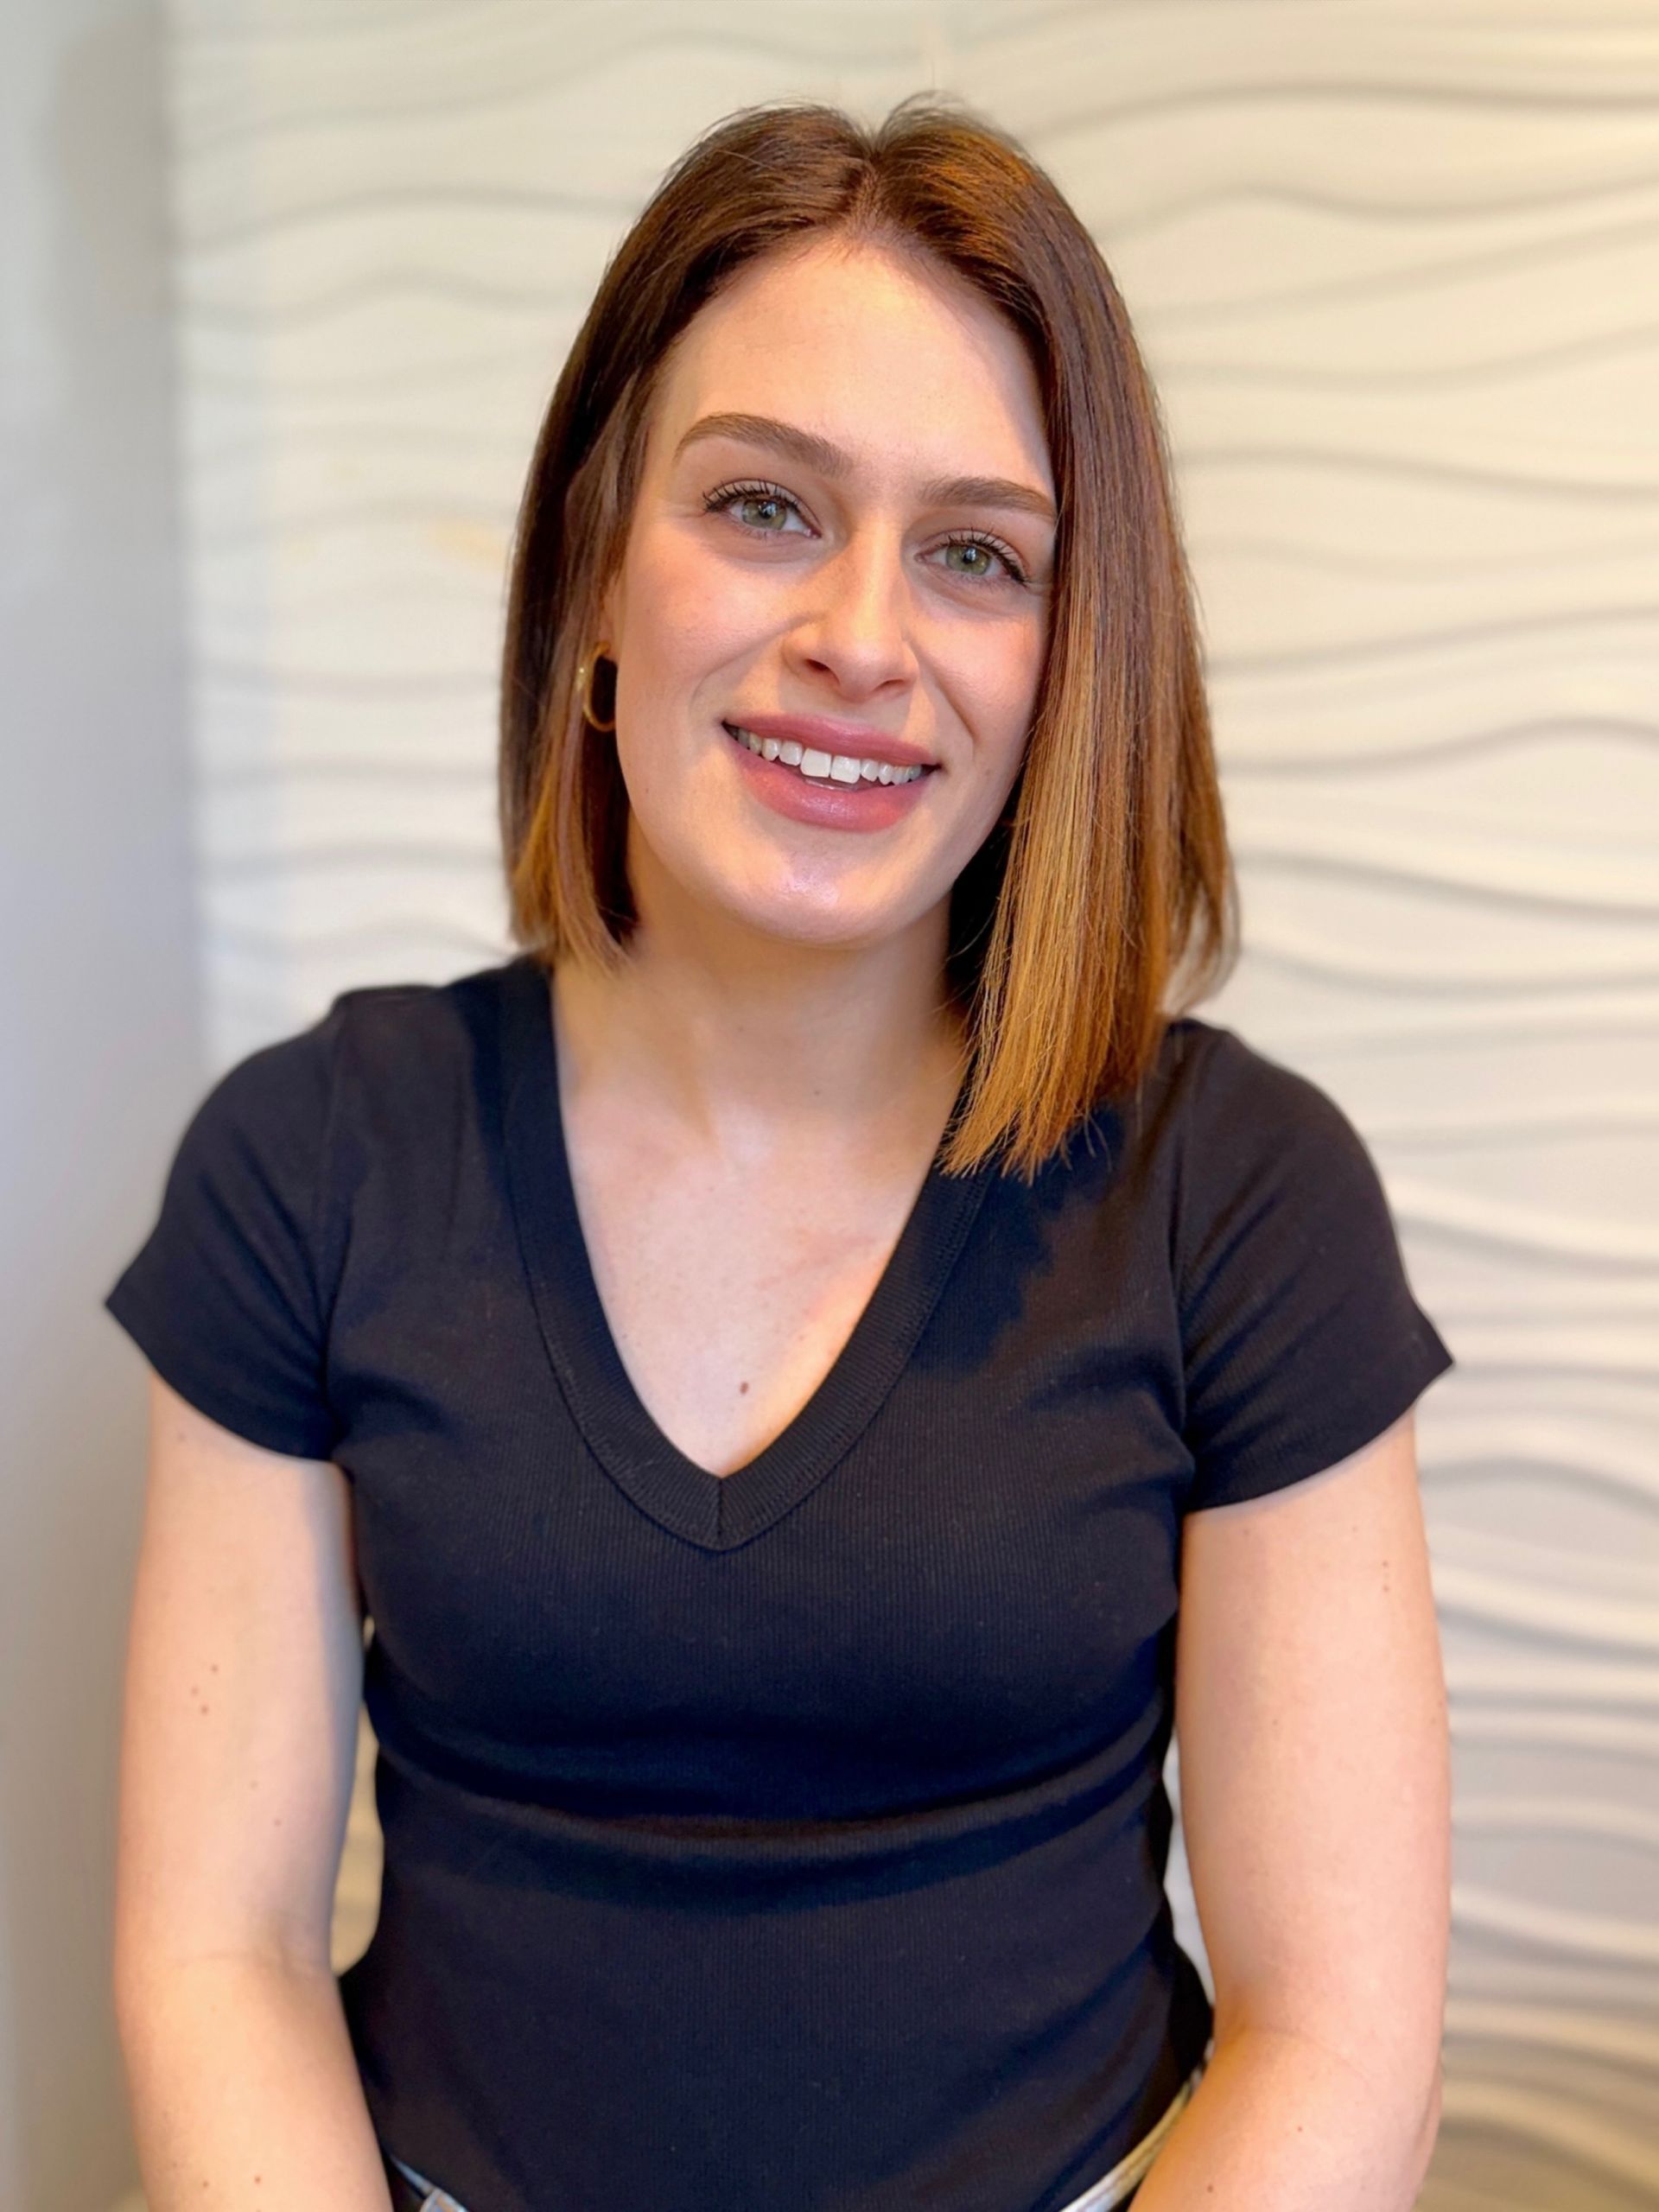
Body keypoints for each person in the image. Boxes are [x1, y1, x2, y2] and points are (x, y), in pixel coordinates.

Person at [103, 94, 1454, 2212]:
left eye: (978, 552)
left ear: (1063, 662)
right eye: (762, 506)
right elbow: (218, 1955)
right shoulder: (312, 1162)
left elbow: (1340, 2030)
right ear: (594, 581)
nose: (863, 633)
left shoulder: (1240, 1190)